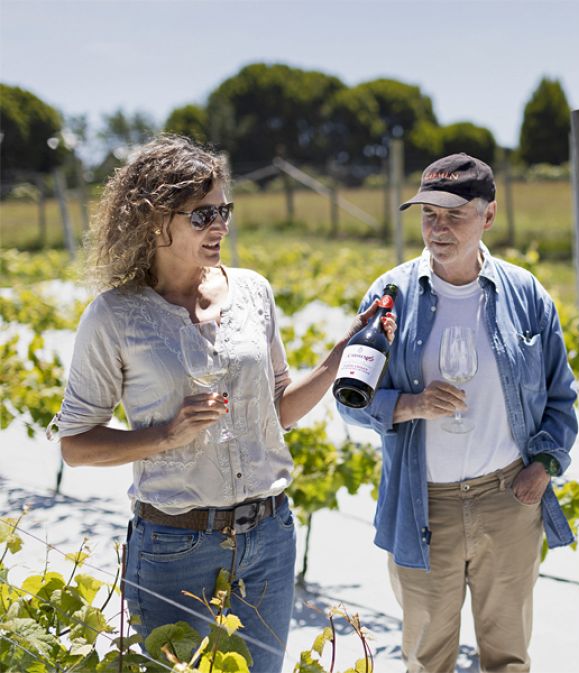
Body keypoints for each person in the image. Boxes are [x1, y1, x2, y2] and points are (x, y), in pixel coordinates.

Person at [50, 135, 394, 673]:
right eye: (202, 214)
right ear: (153, 219)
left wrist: (339, 355)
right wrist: (165, 435)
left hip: (270, 538)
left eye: (224, 210)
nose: (220, 226)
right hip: (173, 545)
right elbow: (75, 445)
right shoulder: (114, 316)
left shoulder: (253, 291)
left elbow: (274, 410)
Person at [339, 153, 578, 673]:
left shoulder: (526, 294)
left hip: (509, 501)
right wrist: (411, 405)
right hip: (425, 506)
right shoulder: (389, 296)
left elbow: (562, 398)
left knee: (509, 657)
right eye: (428, 215)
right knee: (427, 658)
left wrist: (544, 466)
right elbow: (349, 400)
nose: (438, 228)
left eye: (454, 214)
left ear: (488, 216)